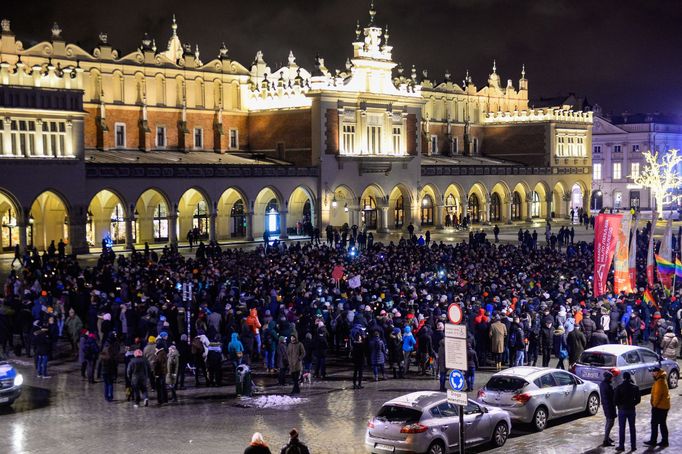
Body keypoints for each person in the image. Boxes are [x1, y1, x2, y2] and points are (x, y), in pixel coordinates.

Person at [613, 371, 641, 452]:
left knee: (622, 428)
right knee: (632, 428)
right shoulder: (635, 387)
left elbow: (615, 400)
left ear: (623, 378)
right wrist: (633, 404)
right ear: (630, 378)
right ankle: (633, 446)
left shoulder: (619, 387)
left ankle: (621, 446)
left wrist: (619, 406)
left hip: (622, 410)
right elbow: (638, 400)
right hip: (631, 410)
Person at [644, 366, 670, 447]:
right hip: (663, 406)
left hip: (659, 407)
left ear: (656, 372)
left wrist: (654, 405)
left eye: (653, 372)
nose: (652, 373)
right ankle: (664, 441)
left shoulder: (659, 381)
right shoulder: (661, 378)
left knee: (655, 424)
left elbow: (657, 395)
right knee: (662, 424)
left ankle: (654, 441)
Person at [599, 371, 616, 447]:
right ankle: (606, 440)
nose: (612, 379)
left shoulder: (602, 384)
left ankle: (607, 437)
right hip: (609, 406)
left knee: (608, 422)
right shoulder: (608, 386)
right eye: (611, 378)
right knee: (610, 423)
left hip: (605, 406)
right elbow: (612, 396)